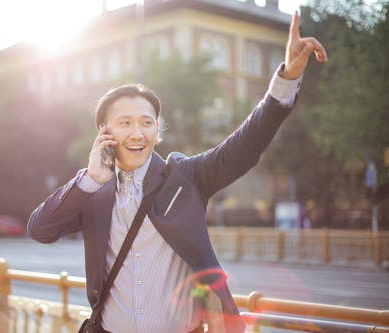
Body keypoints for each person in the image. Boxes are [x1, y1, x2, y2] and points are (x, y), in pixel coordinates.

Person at [27, 11, 327, 333]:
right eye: (125, 123)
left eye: (146, 122)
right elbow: (41, 229)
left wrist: (285, 83)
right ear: (105, 131)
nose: (137, 133)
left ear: (158, 130)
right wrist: (89, 179)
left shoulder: (186, 177)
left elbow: (245, 146)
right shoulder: (92, 191)